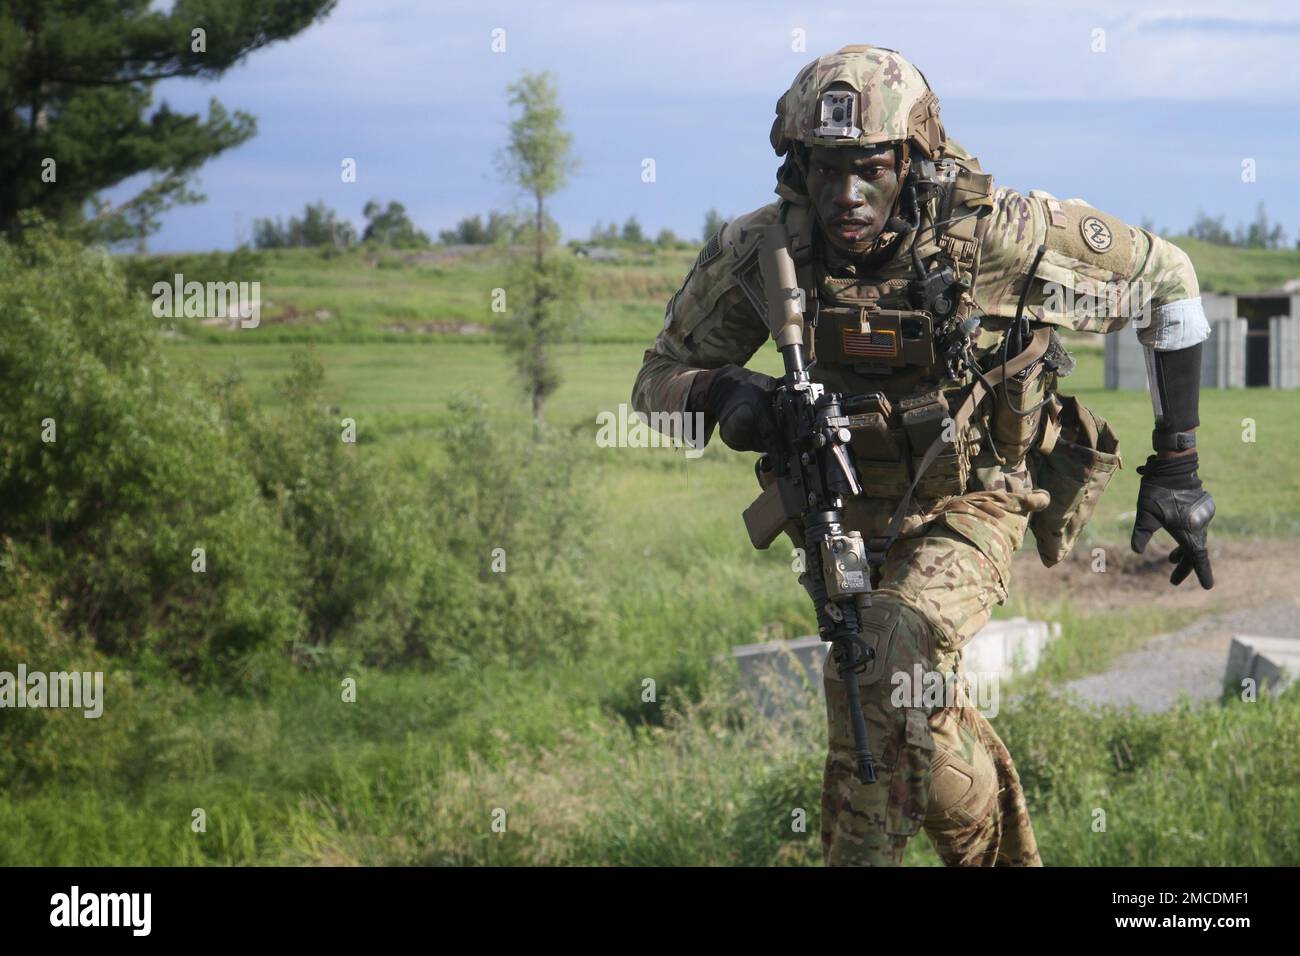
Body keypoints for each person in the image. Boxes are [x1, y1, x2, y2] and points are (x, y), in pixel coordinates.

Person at [631, 45, 1216, 866]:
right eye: (825, 168)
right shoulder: (765, 252)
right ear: (797, 163)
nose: (846, 195)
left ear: (912, 156)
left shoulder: (998, 234)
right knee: (902, 708)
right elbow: (653, 382)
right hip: (837, 523)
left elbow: (1170, 283)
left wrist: (1179, 467)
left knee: (881, 659)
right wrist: (726, 396)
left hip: (972, 501)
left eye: (868, 168)